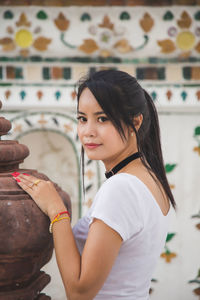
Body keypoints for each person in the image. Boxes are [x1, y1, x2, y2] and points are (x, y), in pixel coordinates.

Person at [13, 69, 176, 300]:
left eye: (103, 119)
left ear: (135, 122)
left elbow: (79, 292)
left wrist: (56, 211)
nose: (88, 131)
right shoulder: (151, 178)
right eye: (82, 119)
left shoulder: (121, 188)